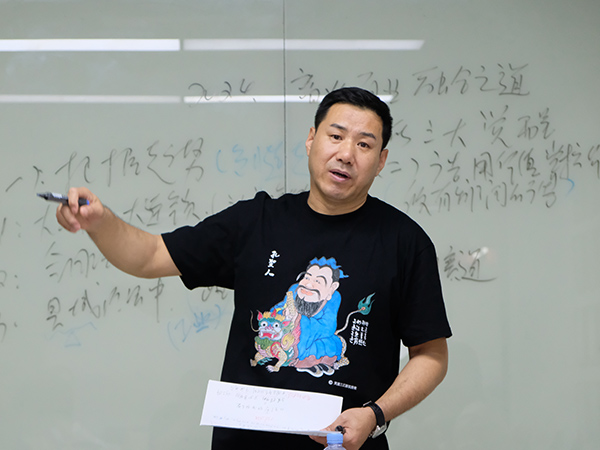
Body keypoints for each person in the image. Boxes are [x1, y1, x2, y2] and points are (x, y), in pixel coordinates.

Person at [56, 87, 452, 450]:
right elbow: (149, 255)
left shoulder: (405, 242)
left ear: (381, 161)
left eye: (364, 144)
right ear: (311, 139)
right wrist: (100, 222)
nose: (346, 154)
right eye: (336, 136)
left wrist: (375, 414)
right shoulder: (256, 221)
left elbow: (431, 355)